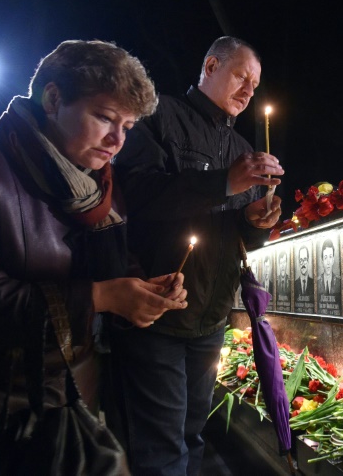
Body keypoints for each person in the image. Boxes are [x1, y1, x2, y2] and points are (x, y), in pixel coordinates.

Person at [0, 40, 188, 474]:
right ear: (54, 99)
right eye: (105, 118)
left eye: (129, 127)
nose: (117, 141)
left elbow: (115, 267)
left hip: (76, 392)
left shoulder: (100, 186)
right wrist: (101, 297)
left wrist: (144, 294)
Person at [111, 36, 283, 475]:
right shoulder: (158, 117)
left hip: (210, 316)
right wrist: (224, 182)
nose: (248, 90)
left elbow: (235, 236)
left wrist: (256, 223)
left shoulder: (242, 148)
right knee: (161, 446)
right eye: (242, 76)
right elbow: (139, 195)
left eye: (255, 83)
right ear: (211, 64)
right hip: (159, 312)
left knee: (192, 435)